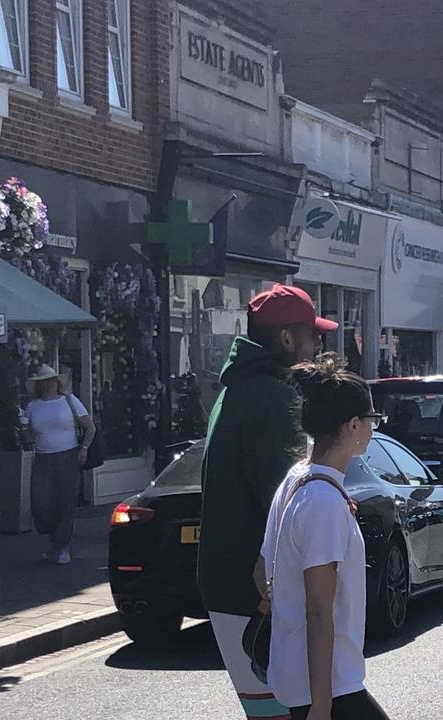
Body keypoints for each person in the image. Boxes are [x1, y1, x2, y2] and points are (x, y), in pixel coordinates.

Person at [199, 284, 337, 720]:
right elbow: (290, 504)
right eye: (313, 337)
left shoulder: (237, 390)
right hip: (257, 593)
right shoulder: (274, 398)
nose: (317, 346)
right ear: (286, 340)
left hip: (231, 585)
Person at [258, 355, 390, 720]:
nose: (372, 429)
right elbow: (319, 611)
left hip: (300, 676)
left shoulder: (295, 481)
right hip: (330, 687)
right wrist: (321, 705)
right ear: (352, 426)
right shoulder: (323, 502)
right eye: (371, 420)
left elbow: (260, 572)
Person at [23, 365, 96, 565]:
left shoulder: (70, 401)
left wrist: (84, 449)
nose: (47, 384)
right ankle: (54, 538)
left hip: (68, 455)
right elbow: (28, 434)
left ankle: (61, 546)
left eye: (50, 380)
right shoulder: (33, 406)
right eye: (43, 381)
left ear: (57, 382)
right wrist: (22, 430)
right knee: (41, 502)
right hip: (43, 457)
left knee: (65, 501)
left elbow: (89, 427)